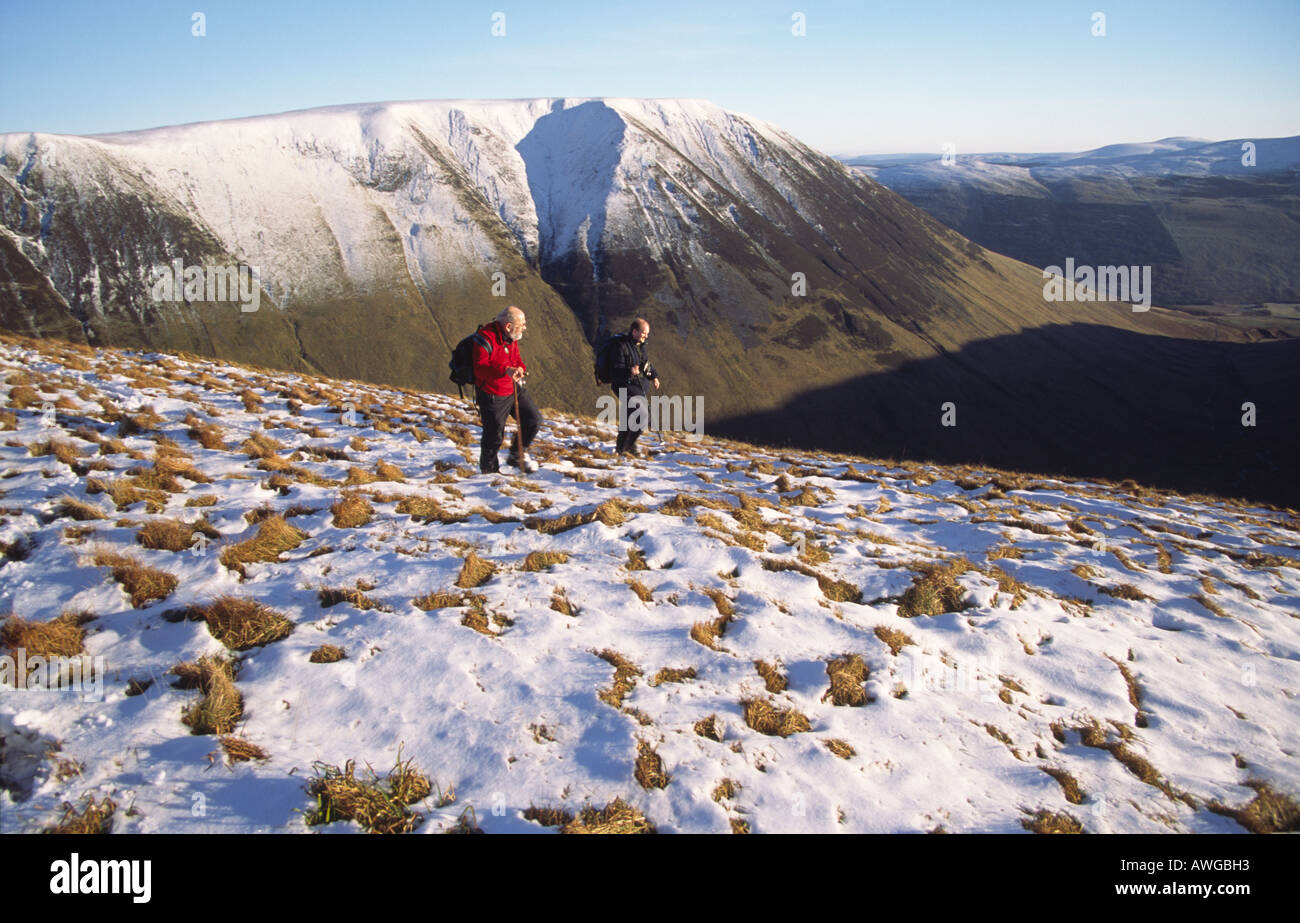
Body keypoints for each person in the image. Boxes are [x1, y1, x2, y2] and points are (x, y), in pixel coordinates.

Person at [472, 305, 541, 473]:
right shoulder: (484, 338)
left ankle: (516, 455)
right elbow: (480, 368)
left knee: (533, 420)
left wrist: (520, 369)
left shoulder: (510, 336)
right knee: (494, 435)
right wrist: (505, 370)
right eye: (522, 324)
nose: (525, 327)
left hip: (512, 388)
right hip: (492, 394)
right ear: (508, 326)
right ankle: (489, 472)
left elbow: (516, 359)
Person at [610, 317, 660, 457]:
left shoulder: (640, 346)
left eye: (647, 333)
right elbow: (615, 369)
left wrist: (654, 376)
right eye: (644, 333)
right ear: (634, 331)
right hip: (623, 386)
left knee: (630, 417)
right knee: (642, 416)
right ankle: (629, 445)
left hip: (635, 387)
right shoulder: (620, 346)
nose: (646, 336)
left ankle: (622, 447)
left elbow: (645, 364)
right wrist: (629, 371)